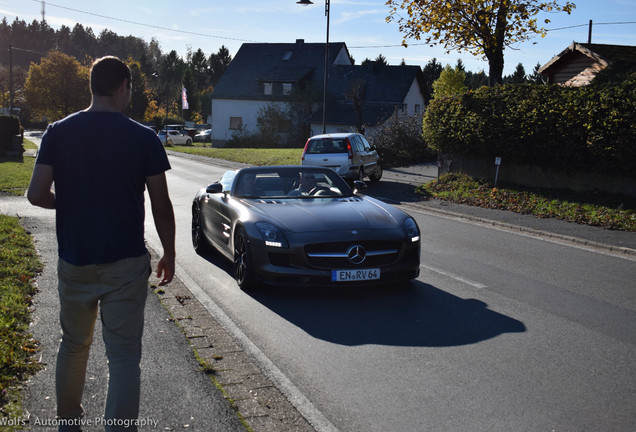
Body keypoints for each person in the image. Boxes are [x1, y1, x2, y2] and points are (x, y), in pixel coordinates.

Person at [27, 56, 175, 432]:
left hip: (75, 259)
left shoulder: (58, 132)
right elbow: (160, 202)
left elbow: (35, 194)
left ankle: (68, 425)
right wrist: (169, 253)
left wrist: (69, 202)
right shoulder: (143, 137)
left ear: (92, 86)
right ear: (123, 85)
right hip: (125, 262)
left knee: (74, 344)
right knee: (123, 355)